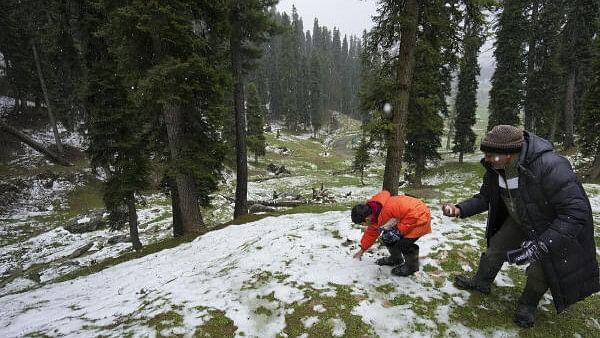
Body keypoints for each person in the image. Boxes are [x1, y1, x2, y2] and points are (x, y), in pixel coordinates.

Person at [442, 125, 599, 328]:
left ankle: (528, 304)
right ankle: (481, 282)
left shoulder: (551, 166)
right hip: (522, 220)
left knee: (539, 271)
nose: (486, 159)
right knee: (496, 248)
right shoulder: (495, 168)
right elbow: (485, 197)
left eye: (491, 155)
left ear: (509, 154)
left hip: (551, 229)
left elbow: (576, 212)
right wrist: (459, 209)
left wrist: (540, 245)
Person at [352, 190, 432, 276]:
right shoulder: (374, 216)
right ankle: (396, 259)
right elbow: (371, 233)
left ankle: (411, 267)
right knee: (387, 237)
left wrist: (399, 231)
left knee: (403, 243)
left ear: (367, 219)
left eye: (361, 223)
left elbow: (413, 215)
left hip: (420, 217)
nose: (363, 225)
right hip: (408, 218)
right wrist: (362, 250)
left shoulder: (387, 209)